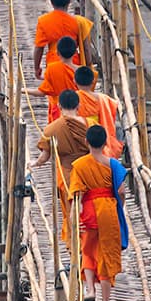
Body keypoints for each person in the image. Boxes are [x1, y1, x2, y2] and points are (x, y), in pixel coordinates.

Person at [69, 125, 128, 301]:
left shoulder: (79, 165)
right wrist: (120, 206)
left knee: (87, 250)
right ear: (105, 144)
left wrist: (74, 218)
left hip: (88, 212)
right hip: (108, 212)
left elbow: (76, 195)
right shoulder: (113, 165)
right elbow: (121, 191)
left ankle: (90, 290)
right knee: (106, 257)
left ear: (86, 142)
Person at [30, 89, 89, 241]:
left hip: (68, 175)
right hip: (88, 173)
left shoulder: (52, 129)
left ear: (59, 106)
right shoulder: (90, 125)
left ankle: (74, 247)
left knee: (71, 210)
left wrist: (34, 163)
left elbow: (44, 157)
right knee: (88, 208)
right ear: (79, 105)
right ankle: (88, 243)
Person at [33, 0, 92, 79]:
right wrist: (88, 67)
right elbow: (86, 49)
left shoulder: (44, 21)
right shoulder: (79, 22)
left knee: (54, 92)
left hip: (53, 64)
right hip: (74, 64)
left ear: (51, 2)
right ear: (69, 2)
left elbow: (39, 48)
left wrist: (37, 68)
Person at [74, 65, 124, 159]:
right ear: (93, 81)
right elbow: (114, 110)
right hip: (101, 138)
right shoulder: (104, 99)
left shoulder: (75, 99)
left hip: (80, 141)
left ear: (75, 81)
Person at [28, 36, 78, 123]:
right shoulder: (80, 71)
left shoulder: (52, 69)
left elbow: (42, 92)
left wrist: (23, 90)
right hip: (77, 110)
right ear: (75, 53)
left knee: (56, 133)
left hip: (59, 110)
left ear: (57, 53)